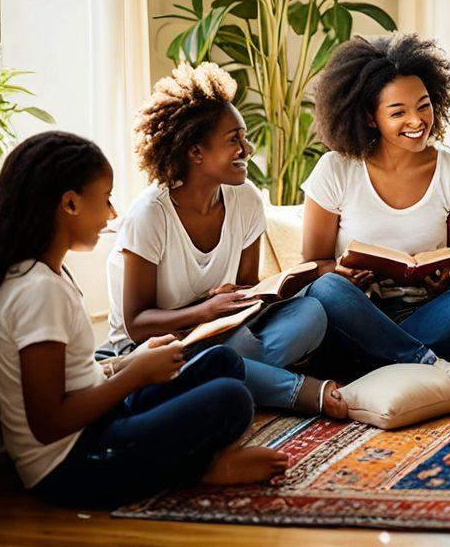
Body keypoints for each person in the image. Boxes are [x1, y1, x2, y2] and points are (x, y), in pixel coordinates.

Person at [0, 132, 285, 508]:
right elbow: (48, 422)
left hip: (98, 425)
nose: (112, 213)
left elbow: (74, 376)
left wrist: (130, 361)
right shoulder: (38, 291)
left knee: (223, 363)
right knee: (230, 400)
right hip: (72, 466)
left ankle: (183, 461)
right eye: (105, 199)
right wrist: (137, 375)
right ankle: (200, 469)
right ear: (70, 203)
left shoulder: (47, 275)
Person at [106, 62, 346, 418]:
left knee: (311, 312)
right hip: (158, 345)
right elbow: (137, 324)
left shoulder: (245, 198)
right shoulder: (150, 216)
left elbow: (248, 289)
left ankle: (230, 378)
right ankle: (298, 390)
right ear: (195, 152)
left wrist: (244, 295)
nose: (247, 149)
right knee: (212, 357)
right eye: (234, 140)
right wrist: (205, 309)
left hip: (220, 333)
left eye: (244, 137)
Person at [301, 33, 450, 409]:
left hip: (427, 311)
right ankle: (445, 370)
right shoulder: (336, 169)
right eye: (398, 112)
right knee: (327, 291)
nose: (417, 121)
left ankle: (373, 367)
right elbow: (312, 264)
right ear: (370, 116)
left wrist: (444, 279)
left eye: (424, 106)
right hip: (357, 312)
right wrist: (339, 272)